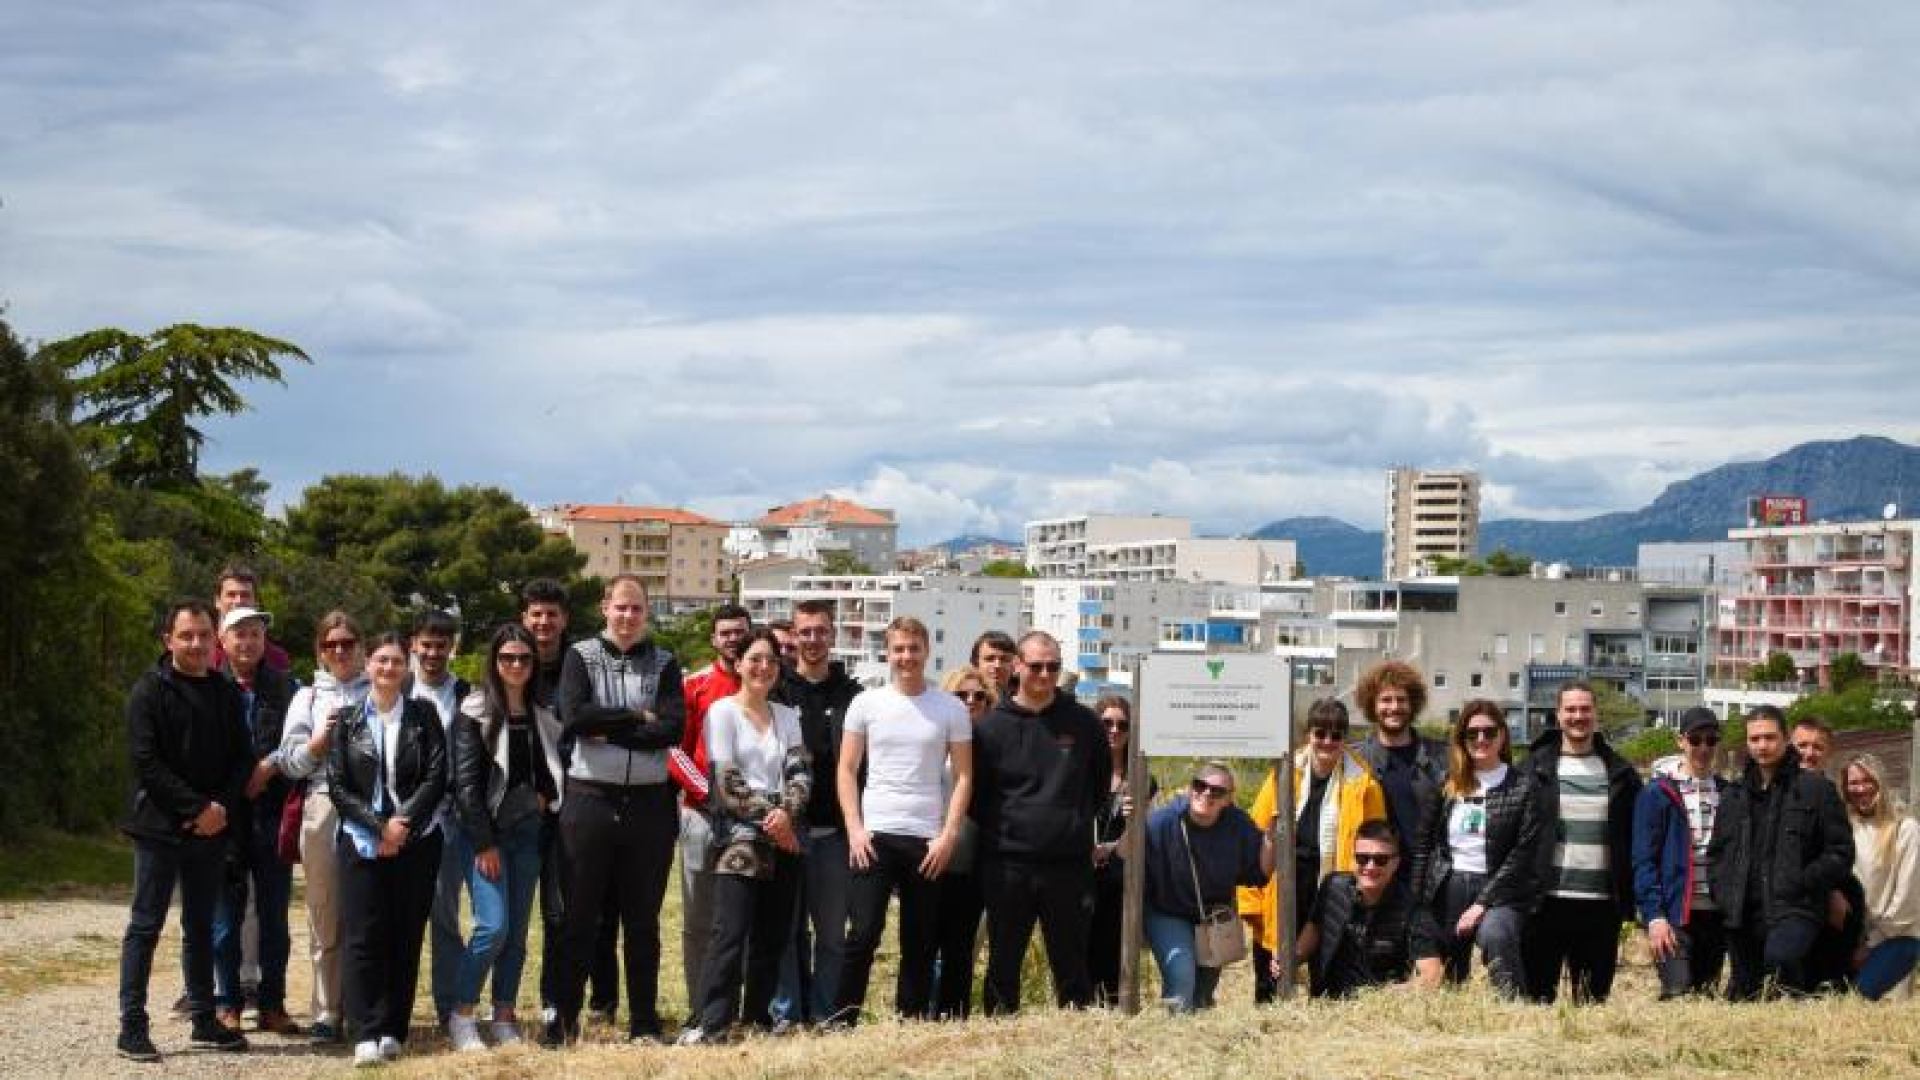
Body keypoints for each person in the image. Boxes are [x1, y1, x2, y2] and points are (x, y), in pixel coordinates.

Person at [547, 574, 685, 1046]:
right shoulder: (580, 655)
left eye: (637, 608)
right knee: (579, 918)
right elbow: (575, 717)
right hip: (589, 799)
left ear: (647, 612)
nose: (628, 616)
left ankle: (644, 1022)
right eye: (620, 607)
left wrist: (607, 729)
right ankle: (565, 1021)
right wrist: (636, 718)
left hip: (649, 804)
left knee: (643, 922)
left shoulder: (665, 662)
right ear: (605, 607)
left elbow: (671, 730)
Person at [115, 600, 253, 1063]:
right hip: (159, 828)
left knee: (200, 925)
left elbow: (242, 759)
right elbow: (146, 762)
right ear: (168, 640)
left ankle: (203, 1019)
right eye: (186, 635)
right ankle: (132, 1026)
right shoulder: (148, 691)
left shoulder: (225, 692)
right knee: (145, 925)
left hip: (211, 830)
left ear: (215, 641)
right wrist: (196, 808)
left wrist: (219, 809)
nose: (196, 644)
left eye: (203, 635)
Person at [832, 617, 972, 1024]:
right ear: (887, 653)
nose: (906, 656)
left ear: (927, 651)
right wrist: (855, 828)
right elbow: (846, 769)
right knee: (862, 933)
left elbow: (964, 776)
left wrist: (948, 835)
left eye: (914, 648)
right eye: (899, 649)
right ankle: (842, 1019)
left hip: (926, 837)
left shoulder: (950, 708)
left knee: (920, 938)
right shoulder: (866, 704)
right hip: (874, 834)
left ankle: (909, 1019)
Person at [679, 629, 811, 1044]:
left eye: (771, 660)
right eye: (755, 659)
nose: (763, 667)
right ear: (738, 665)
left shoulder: (787, 716)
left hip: (785, 834)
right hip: (738, 836)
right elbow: (725, 780)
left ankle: (757, 1019)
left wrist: (785, 817)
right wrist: (773, 817)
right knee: (729, 933)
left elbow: (800, 772)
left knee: (773, 935)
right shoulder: (722, 712)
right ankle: (713, 1023)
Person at [972, 631, 1108, 1015]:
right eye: (1036, 666)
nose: (1045, 675)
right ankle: (1000, 1030)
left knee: (1072, 962)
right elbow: (976, 797)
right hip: (1007, 864)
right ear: (1017, 666)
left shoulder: (1084, 723)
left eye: (1053, 667)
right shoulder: (990, 728)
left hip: (1068, 864)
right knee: (1003, 961)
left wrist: (1071, 824)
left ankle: (1076, 1029)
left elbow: (1097, 786)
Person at [330, 631, 448, 1067]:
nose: (388, 668)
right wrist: (379, 827)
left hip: (417, 840)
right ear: (368, 665)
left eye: (396, 661)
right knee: (363, 936)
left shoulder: (424, 715)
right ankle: (365, 1031)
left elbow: (436, 776)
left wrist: (402, 826)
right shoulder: (347, 720)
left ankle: (393, 1029)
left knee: (405, 934)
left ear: (406, 667)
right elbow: (339, 786)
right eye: (381, 660)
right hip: (361, 840)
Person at [444, 625, 565, 1051]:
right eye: (507, 657)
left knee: (516, 934)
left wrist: (544, 795)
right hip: (484, 835)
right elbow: (465, 787)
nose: (516, 665)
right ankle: (461, 1014)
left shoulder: (542, 711)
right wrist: (484, 843)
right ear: (494, 662)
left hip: (528, 832)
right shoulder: (474, 711)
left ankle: (503, 1016)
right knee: (492, 927)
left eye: (524, 658)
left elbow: (554, 768)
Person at [518, 578, 613, 1029]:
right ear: (524, 618)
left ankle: (558, 999)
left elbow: (593, 724)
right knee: (511, 915)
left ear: (565, 619)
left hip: (573, 799)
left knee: (564, 911)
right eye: (536, 613)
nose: (543, 622)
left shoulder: (581, 664)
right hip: (522, 806)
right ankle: (503, 1004)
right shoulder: (511, 662)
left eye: (551, 614)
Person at [1242, 699, 1385, 999]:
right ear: (1309, 734)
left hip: (1330, 886)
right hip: (1285, 882)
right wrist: (1250, 900)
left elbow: (1376, 843)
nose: (1328, 742)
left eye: (1336, 735)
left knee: (1326, 976)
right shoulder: (1284, 772)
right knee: (1271, 973)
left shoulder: (1364, 783)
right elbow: (1256, 834)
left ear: (1345, 738)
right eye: (1320, 733)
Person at [1709, 705, 1854, 1000]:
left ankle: (1798, 1007)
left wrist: (1805, 881)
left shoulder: (1815, 789)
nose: (1762, 745)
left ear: (1786, 739)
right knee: (1746, 997)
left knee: (1781, 962)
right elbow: (1718, 853)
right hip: (1742, 913)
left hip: (1794, 908)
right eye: (1755, 738)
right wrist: (1723, 892)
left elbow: (1841, 851)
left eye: (1770, 737)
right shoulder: (1733, 795)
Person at [770, 598, 864, 1026]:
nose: (813, 639)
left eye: (821, 631)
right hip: (789, 830)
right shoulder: (777, 693)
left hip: (835, 832)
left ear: (833, 634)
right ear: (794, 635)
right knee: (786, 932)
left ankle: (826, 1014)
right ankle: (787, 1015)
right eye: (805, 631)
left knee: (830, 934)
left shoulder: (853, 696)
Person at [278, 611, 370, 1044]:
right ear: (320, 651)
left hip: (371, 806)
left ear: (362, 646)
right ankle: (327, 1011)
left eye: (347, 643)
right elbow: (289, 762)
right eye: (331, 644)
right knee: (324, 911)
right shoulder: (307, 696)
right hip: (323, 802)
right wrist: (317, 743)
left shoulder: (382, 687)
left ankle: (363, 1009)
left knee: (367, 912)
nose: (340, 651)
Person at [210, 605, 302, 1035]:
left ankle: (272, 1005)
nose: (247, 642)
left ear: (265, 641)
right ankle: (227, 1003)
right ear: (223, 641)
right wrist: (236, 783)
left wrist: (270, 766)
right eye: (239, 634)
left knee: (274, 917)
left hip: (272, 813)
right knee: (225, 918)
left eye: (255, 634)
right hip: (226, 817)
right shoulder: (210, 687)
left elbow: (298, 742)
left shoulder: (287, 687)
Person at [1521, 681, 1642, 1004]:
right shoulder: (1533, 769)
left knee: (1592, 1003)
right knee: (1537, 1001)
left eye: (1585, 709)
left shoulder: (1621, 772)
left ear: (1596, 714)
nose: (1578, 716)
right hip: (1545, 903)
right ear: (1558, 715)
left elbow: (1636, 838)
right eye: (1571, 709)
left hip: (1601, 905)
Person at [1408, 699, 1537, 998]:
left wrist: (1482, 902)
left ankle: (1513, 1007)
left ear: (1502, 736)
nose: (1481, 739)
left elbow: (1524, 852)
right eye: (1472, 733)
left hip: (1499, 888)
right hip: (1449, 882)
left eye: (1489, 732)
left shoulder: (1523, 786)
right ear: (1462, 739)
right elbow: (1424, 844)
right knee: (1450, 975)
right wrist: (1417, 900)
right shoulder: (1446, 782)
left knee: (1496, 935)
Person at [1142, 763, 1275, 1010]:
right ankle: (1175, 1031)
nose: (1206, 794)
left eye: (1217, 791)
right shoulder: (1162, 822)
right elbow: (1130, 866)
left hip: (1213, 917)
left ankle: (1196, 1030)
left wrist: (1270, 839)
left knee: (1202, 994)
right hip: (1167, 911)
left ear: (1228, 799)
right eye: (1200, 785)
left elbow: (1259, 875)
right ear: (1190, 788)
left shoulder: (1238, 825)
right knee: (1181, 976)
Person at [676, 604, 752, 1012]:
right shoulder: (695, 685)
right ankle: (699, 1008)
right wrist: (708, 793)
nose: (733, 639)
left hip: (750, 820)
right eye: (726, 633)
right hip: (701, 815)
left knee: (741, 919)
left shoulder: (764, 681)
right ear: (713, 639)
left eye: (740, 631)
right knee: (699, 921)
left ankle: (734, 1008)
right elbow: (676, 751)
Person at [1631, 706, 1727, 999]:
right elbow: (1644, 859)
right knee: (1678, 990)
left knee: (1705, 995)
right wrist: (1654, 916)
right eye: (1695, 739)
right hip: (1674, 912)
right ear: (1681, 741)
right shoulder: (1658, 793)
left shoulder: (1727, 792)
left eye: (1711, 740)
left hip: (1714, 913)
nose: (1703, 748)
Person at [412, 610, 477, 1031]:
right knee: (401, 919)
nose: (433, 653)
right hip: (404, 818)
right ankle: (393, 1009)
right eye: (426, 645)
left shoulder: (467, 694)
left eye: (441, 645)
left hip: (452, 818)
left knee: (446, 916)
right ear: (413, 645)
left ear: (452, 647)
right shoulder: (398, 688)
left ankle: (447, 1006)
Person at [1299, 820, 1444, 997]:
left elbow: (1432, 977)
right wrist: (1289, 959)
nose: (1370, 866)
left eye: (1380, 860)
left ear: (1396, 863)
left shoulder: (1413, 910)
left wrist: (1382, 996)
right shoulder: (1332, 887)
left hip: (1378, 1006)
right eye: (1362, 858)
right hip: (1326, 1001)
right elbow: (1313, 931)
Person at [928, 665, 993, 1019]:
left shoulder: (992, 750)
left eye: (979, 696)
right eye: (962, 695)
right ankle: (918, 1015)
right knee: (923, 945)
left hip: (972, 862)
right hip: (928, 856)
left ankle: (954, 1017)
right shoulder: (932, 742)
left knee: (960, 949)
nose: (970, 701)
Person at [1840, 753, 1920, 1000]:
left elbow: (1907, 900)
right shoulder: (1844, 828)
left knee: (1857, 1001)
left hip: (1894, 938)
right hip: (1850, 941)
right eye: (1853, 783)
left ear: (1881, 782)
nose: (1861, 788)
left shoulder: (1905, 829)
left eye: (1868, 780)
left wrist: (1870, 944)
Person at [1350, 660, 1446, 855]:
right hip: (1373, 867)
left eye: (1401, 700)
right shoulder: (1355, 759)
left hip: (1427, 867)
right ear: (1372, 705)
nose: (1394, 707)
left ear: (1412, 705)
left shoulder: (1441, 757)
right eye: (1386, 700)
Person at [1088, 693, 1144, 1006]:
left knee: (1113, 946)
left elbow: (1145, 834)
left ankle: (1112, 1006)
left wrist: (1135, 817)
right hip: (1080, 872)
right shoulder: (1079, 769)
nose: (1114, 730)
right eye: (1106, 722)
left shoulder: (1140, 778)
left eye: (1122, 725)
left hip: (1120, 877)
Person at [209, 564, 291, 673]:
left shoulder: (275, 657)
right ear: (217, 601)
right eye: (231, 595)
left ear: (256, 603)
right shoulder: (201, 650)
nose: (238, 601)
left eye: (245, 595)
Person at [971, 631, 1018, 701]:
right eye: (989, 659)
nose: (997, 665)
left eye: (1004, 659)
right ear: (975, 663)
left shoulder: (1026, 703)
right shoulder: (961, 702)